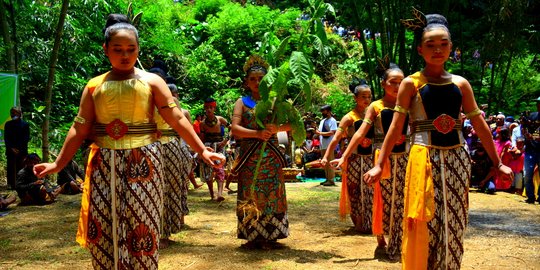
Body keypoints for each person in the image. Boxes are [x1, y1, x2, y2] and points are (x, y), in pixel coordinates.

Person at [33, 14, 224, 269]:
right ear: (105, 50)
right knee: (102, 224)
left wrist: (202, 151)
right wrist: (57, 164)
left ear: (138, 49)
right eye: (118, 49)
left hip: (145, 161)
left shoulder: (153, 82)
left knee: (143, 224)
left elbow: (177, 118)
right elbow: (79, 128)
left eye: (131, 49)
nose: (125, 55)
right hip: (103, 163)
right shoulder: (93, 86)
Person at [363, 13, 512, 269]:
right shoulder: (411, 84)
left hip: (457, 159)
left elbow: (479, 124)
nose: (437, 50)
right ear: (420, 49)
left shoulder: (461, 84)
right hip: (423, 158)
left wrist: (497, 163)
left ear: (451, 48)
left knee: (454, 220)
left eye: (443, 44)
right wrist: (379, 163)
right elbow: (396, 126)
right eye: (430, 45)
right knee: (423, 220)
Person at [231, 55, 291, 249]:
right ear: (246, 82)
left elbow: (292, 124)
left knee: (272, 193)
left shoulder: (275, 101)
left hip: (271, 157)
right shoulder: (241, 102)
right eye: (253, 79)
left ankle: (271, 234)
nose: (257, 82)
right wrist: (257, 133)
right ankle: (252, 235)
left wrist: (276, 129)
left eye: (261, 79)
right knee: (251, 193)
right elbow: (235, 129)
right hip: (250, 157)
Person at [321, 80, 372, 233]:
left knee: (371, 190)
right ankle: (359, 222)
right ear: (355, 98)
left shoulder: (373, 113)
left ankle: (370, 221)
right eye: (364, 96)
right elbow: (335, 138)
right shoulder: (349, 117)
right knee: (355, 189)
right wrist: (326, 157)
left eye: (369, 97)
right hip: (354, 159)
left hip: (371, 158)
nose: (367, 100)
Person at [200, 98, 229, 201]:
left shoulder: (220, 119)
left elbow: (232, 128)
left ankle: (220, 194)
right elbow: (202, 139)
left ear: (214, 108)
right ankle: (212, 194)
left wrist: (226, 140)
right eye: (207, 107)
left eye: (211, 107)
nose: (209, 110)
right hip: (209, 148)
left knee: (220, 168)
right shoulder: (202, 124)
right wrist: (202, 150)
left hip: (220, 146)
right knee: (208, 170)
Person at [4, 107, 30, 190]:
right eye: (12, 113)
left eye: (15, 112)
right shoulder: (8, 124)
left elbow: (26, 138)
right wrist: (12, 148)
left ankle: (20, 184)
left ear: (20, 114)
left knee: (21, 167)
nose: (13, 114)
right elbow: (6, 138)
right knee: (10, 167)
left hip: (22, 150)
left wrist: (18, 149)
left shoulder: (25, 124)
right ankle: (10, 184)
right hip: (10, 149)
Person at [522, 97, 540, 204]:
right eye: (537, 103)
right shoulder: (532, 115)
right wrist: (525, 130)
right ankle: (530, 196)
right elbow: (525, 129)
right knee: (527, 174)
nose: (538, 105)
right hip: (530, 149)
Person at [317, 105, 338, 186]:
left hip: (329, 144)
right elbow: (319, 131)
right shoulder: (322, 121)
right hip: (323, 145)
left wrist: (320, 133)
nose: (322, 113)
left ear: (329, 111)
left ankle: (331, 179)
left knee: (330, 162)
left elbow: (332, 132)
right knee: (324, 162)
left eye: (324, 111)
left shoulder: (332, 121)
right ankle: (327, 179)